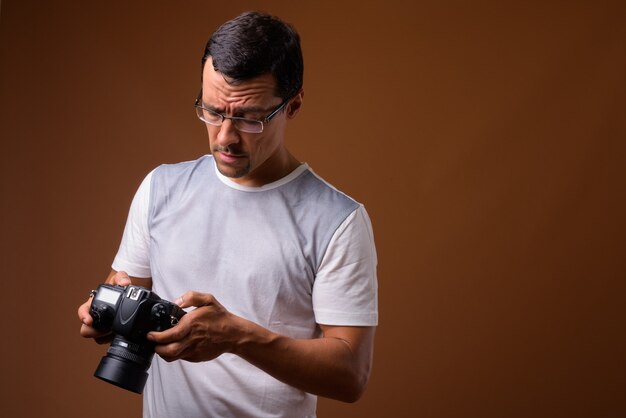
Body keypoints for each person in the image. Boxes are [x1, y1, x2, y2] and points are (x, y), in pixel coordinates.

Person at [78, 11, 378, 418]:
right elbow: (126, 287)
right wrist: (106, 313)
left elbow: (350, 375)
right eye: (213, 111)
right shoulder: (160, 188)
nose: (225, 136)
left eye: (249, 118)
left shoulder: (337, 222)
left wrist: (238, 337)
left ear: (294, 105)